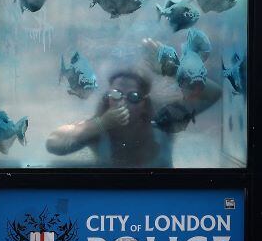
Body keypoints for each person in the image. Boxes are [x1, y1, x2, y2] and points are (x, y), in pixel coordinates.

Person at [46, 41, 221, 167]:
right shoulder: (100, 126)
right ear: (108, 98)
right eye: (116, 94)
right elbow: (53, 143)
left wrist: (175, 70)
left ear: (145, 103)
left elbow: (212, 94)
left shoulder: (163, 119)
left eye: (134, 96)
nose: (123, 101)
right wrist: (101, 123)